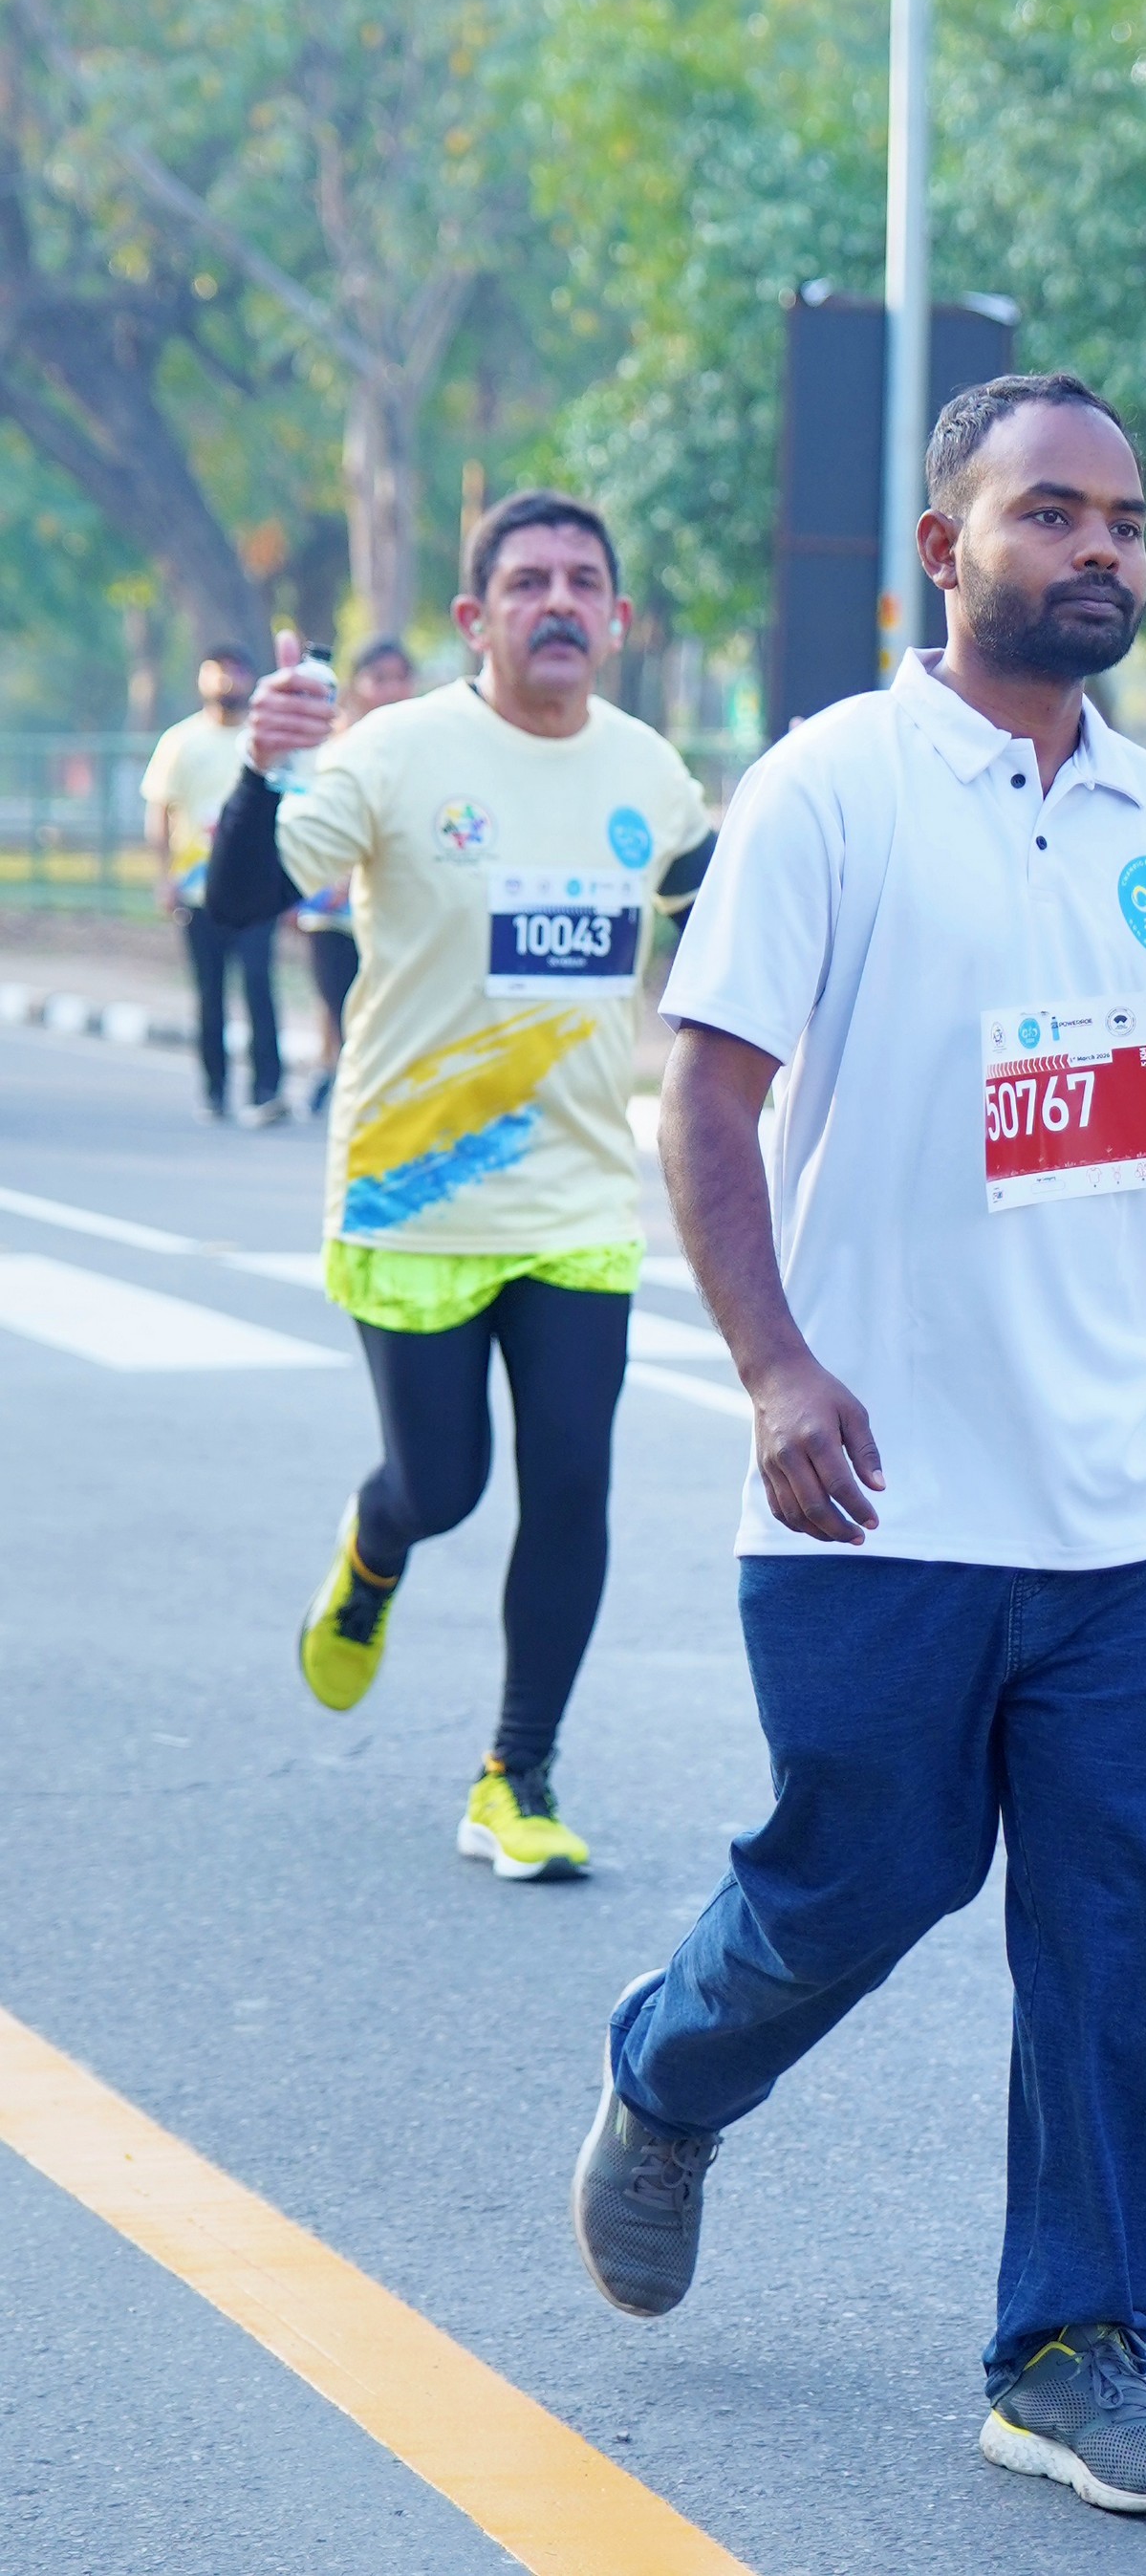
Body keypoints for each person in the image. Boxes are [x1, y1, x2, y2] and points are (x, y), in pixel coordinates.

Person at [572, 375, 1146, 2516]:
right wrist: (777, 1370)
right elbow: (705, 1095)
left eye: (1121, 518)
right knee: (863, 1874)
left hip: (1118, 1507)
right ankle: (671, 2065)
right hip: (871, 1500)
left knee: (1110, 1933)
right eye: (1049, 511)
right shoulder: (829, 790)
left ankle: (1069, 2344)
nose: (1097, 548)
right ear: (943, 546)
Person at [206, 492, 714, 1879]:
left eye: (583, 582)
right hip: (412, 1196)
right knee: (442, 1485)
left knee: (572, 1485)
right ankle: (374, 1548)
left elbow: (722, 914)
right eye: (528, 580)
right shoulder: (394, 753)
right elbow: (240, 899)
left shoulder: (649, 770)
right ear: (471, 618)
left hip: (577, 1206)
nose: (558, 602)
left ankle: (515, 1775)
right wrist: (262, 771)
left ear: (617, 619)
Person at [141, 644, 286, 1125]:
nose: (227, 681)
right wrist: (164, 878)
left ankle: (267, 1089)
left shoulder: (263, 742)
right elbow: (161, 811)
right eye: (217, 672)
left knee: (259, 985)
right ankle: (215, 1088)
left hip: (257, 887)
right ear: (202, 678)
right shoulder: (181, 742)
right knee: (210, 992)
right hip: (200, 891)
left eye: (236, 672)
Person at [294, 637, 418, 1115]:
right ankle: (333, 1070)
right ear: (356, 685)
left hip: (398, 904)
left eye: (400, 678)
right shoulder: (333, 748)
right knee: (336, 995)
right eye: (379, 678)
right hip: (333, 907)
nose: (390, 689)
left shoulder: (424, 747)